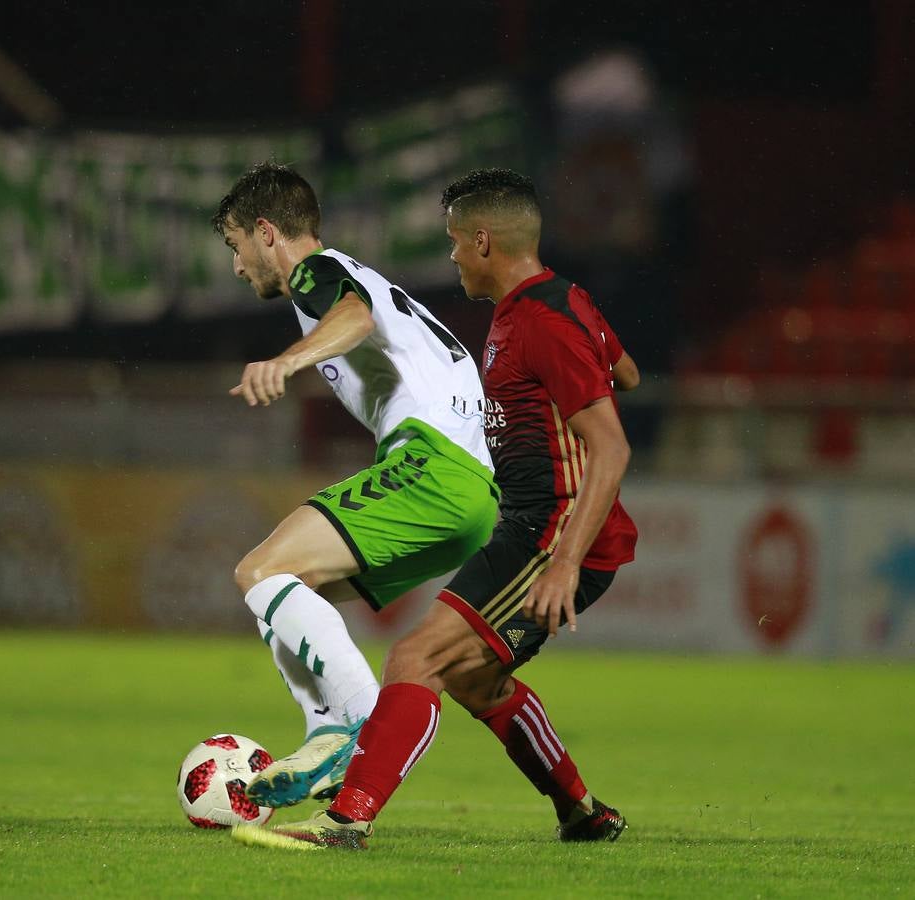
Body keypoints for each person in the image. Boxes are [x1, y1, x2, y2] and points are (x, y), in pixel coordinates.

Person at [236, 167, 639, 850]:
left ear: (483, 242)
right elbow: (624, 373)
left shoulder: (537, 321)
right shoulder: (555, 305)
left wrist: (565, 558)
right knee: (476, 679)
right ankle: (583, 812)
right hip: (505, 508)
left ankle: (345, 803)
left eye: (454, 243)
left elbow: (612, 446)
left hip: (540, 526)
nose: (449, 257)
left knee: (404, 653)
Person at [212, 162, 499, 808]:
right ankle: (327, 735)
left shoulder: (317, 275)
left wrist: (288, 362)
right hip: (468, 493)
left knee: (259, 572)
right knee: (282, 589)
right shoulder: (353, 278)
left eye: (236, 247)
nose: (237, 267)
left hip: (432, 467)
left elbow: (357, 316)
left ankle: (363, 728)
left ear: (266, 232)